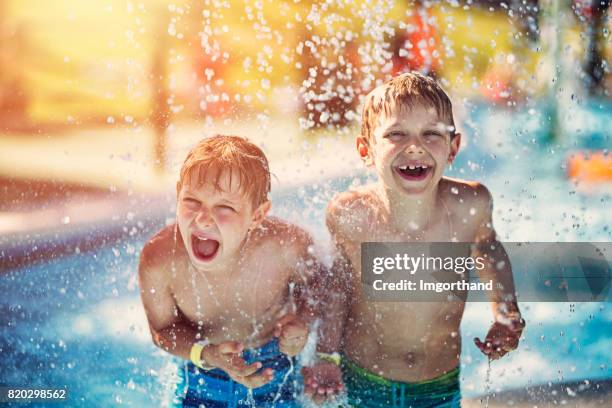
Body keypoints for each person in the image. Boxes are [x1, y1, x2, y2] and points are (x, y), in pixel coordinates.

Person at [303, 72, 525, 407]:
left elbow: (488, 250)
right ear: (366, 149)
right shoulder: (351, 215)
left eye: (431, 134)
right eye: (396, 134)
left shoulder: (470, 206)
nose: (414, 146)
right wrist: (326, 356)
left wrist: (505, 311)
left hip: (438, 385)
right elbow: (339, 288)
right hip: (363, 381)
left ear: (453, 148)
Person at [139, 135, 320, 407]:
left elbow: (319, 286)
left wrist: (301, 325)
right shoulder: (160, 259)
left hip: (274, 371)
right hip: (201, 377)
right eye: (192, 201)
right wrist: (207, 354)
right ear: (178, 193)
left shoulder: (286, 247)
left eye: (223, 207)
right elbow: (162, 329)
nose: (202, 218)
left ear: (258, 215)